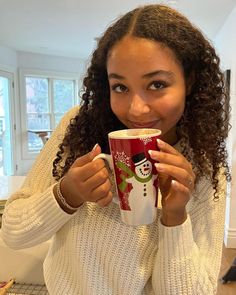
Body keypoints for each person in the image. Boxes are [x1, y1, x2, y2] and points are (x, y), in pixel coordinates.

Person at [1, 4, 231, 295]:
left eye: (157, 84)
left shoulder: (206, 166)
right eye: (120, 87)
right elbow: (14, 234)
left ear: (190, 82)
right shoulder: (77, 128)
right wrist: (67, 193)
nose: (136, 109)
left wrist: (175, 217)